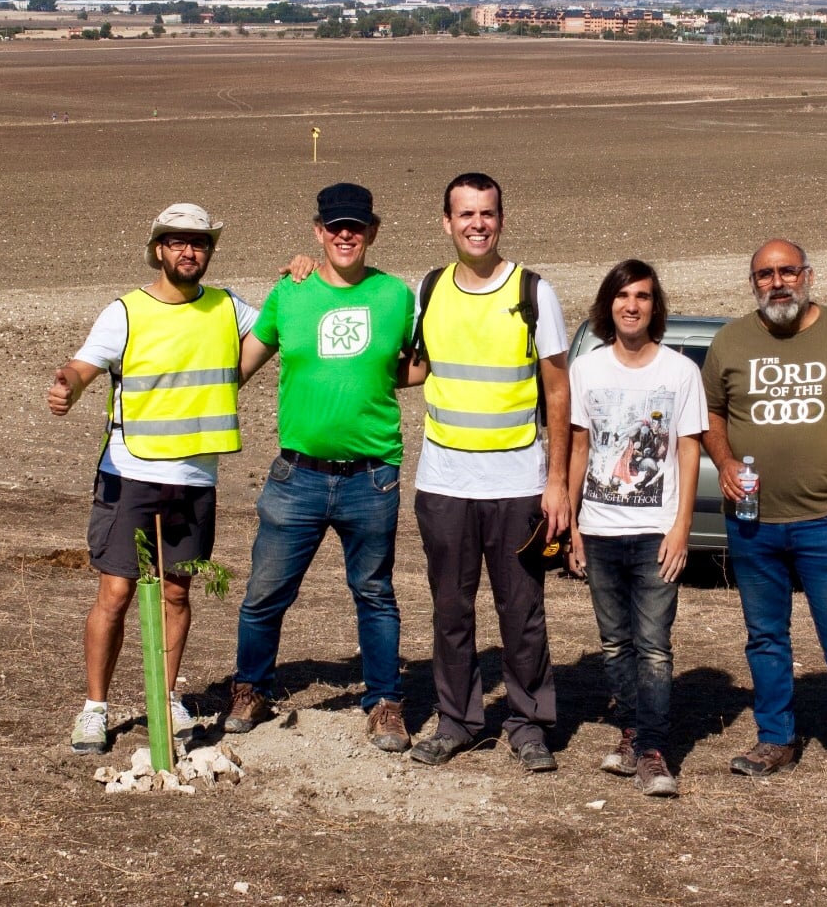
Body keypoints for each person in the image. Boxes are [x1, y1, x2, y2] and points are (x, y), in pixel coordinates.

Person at [48, 203, 256, 755]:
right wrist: (68, 385)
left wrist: (301, 272)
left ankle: (165, 699)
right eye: (177, 241)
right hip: (130, 473)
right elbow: (84, 366)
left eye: (199, 242)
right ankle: (95, 709)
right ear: (159, 249)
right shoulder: (125, 312)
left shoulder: (229, 307)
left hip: (195, 477)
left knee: (176, 592)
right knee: (115, 592)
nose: (189, 251)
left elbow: (283, 324)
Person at [222, 183, 416, 754]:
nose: (345, 235)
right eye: (335, 227)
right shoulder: (290, 291)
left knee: (374, 594)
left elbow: (418, 365)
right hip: (297, 476)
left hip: (372, 476)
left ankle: (384, 702)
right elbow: (238, 368)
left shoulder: (396, 296)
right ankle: (251, 689)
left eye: (356, 226)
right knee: (264, 593)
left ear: (373, 231)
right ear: (318, 231)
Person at [702, 239, 827, 798]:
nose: (777, 283)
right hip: (753, 521)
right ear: (752, 283)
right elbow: (711, 413)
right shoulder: (730, 341)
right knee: (765, 637)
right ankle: (775, 738)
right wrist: (724, 460)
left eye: (787, 272)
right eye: (765, 275)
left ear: (808, 275)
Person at [407, 172, 571, 773]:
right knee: (451, 611)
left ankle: (530, 726)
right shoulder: (428, 289)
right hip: (444, 483)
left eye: (487, 213)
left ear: (501, 220)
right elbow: (415, 366)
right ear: (446, 223)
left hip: (517, 484)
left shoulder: (534, 291)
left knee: (521, 614)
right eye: (466, 214)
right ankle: (458, 722)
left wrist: (557, 482)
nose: (477, 224)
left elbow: (558, 389)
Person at [567, 260, 706, 797]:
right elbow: (580, 448)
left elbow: (689, 449)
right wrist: (573, 525)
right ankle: (631, 732)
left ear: (655, 306)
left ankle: (652, 749)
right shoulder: (587, 369)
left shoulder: (679, 372)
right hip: (599, 528)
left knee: (653, 646)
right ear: (609, 305)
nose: (632, 305)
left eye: (643, 296)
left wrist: (681, 526)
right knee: (614, 644)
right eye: (623, 296)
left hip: (655, 530)